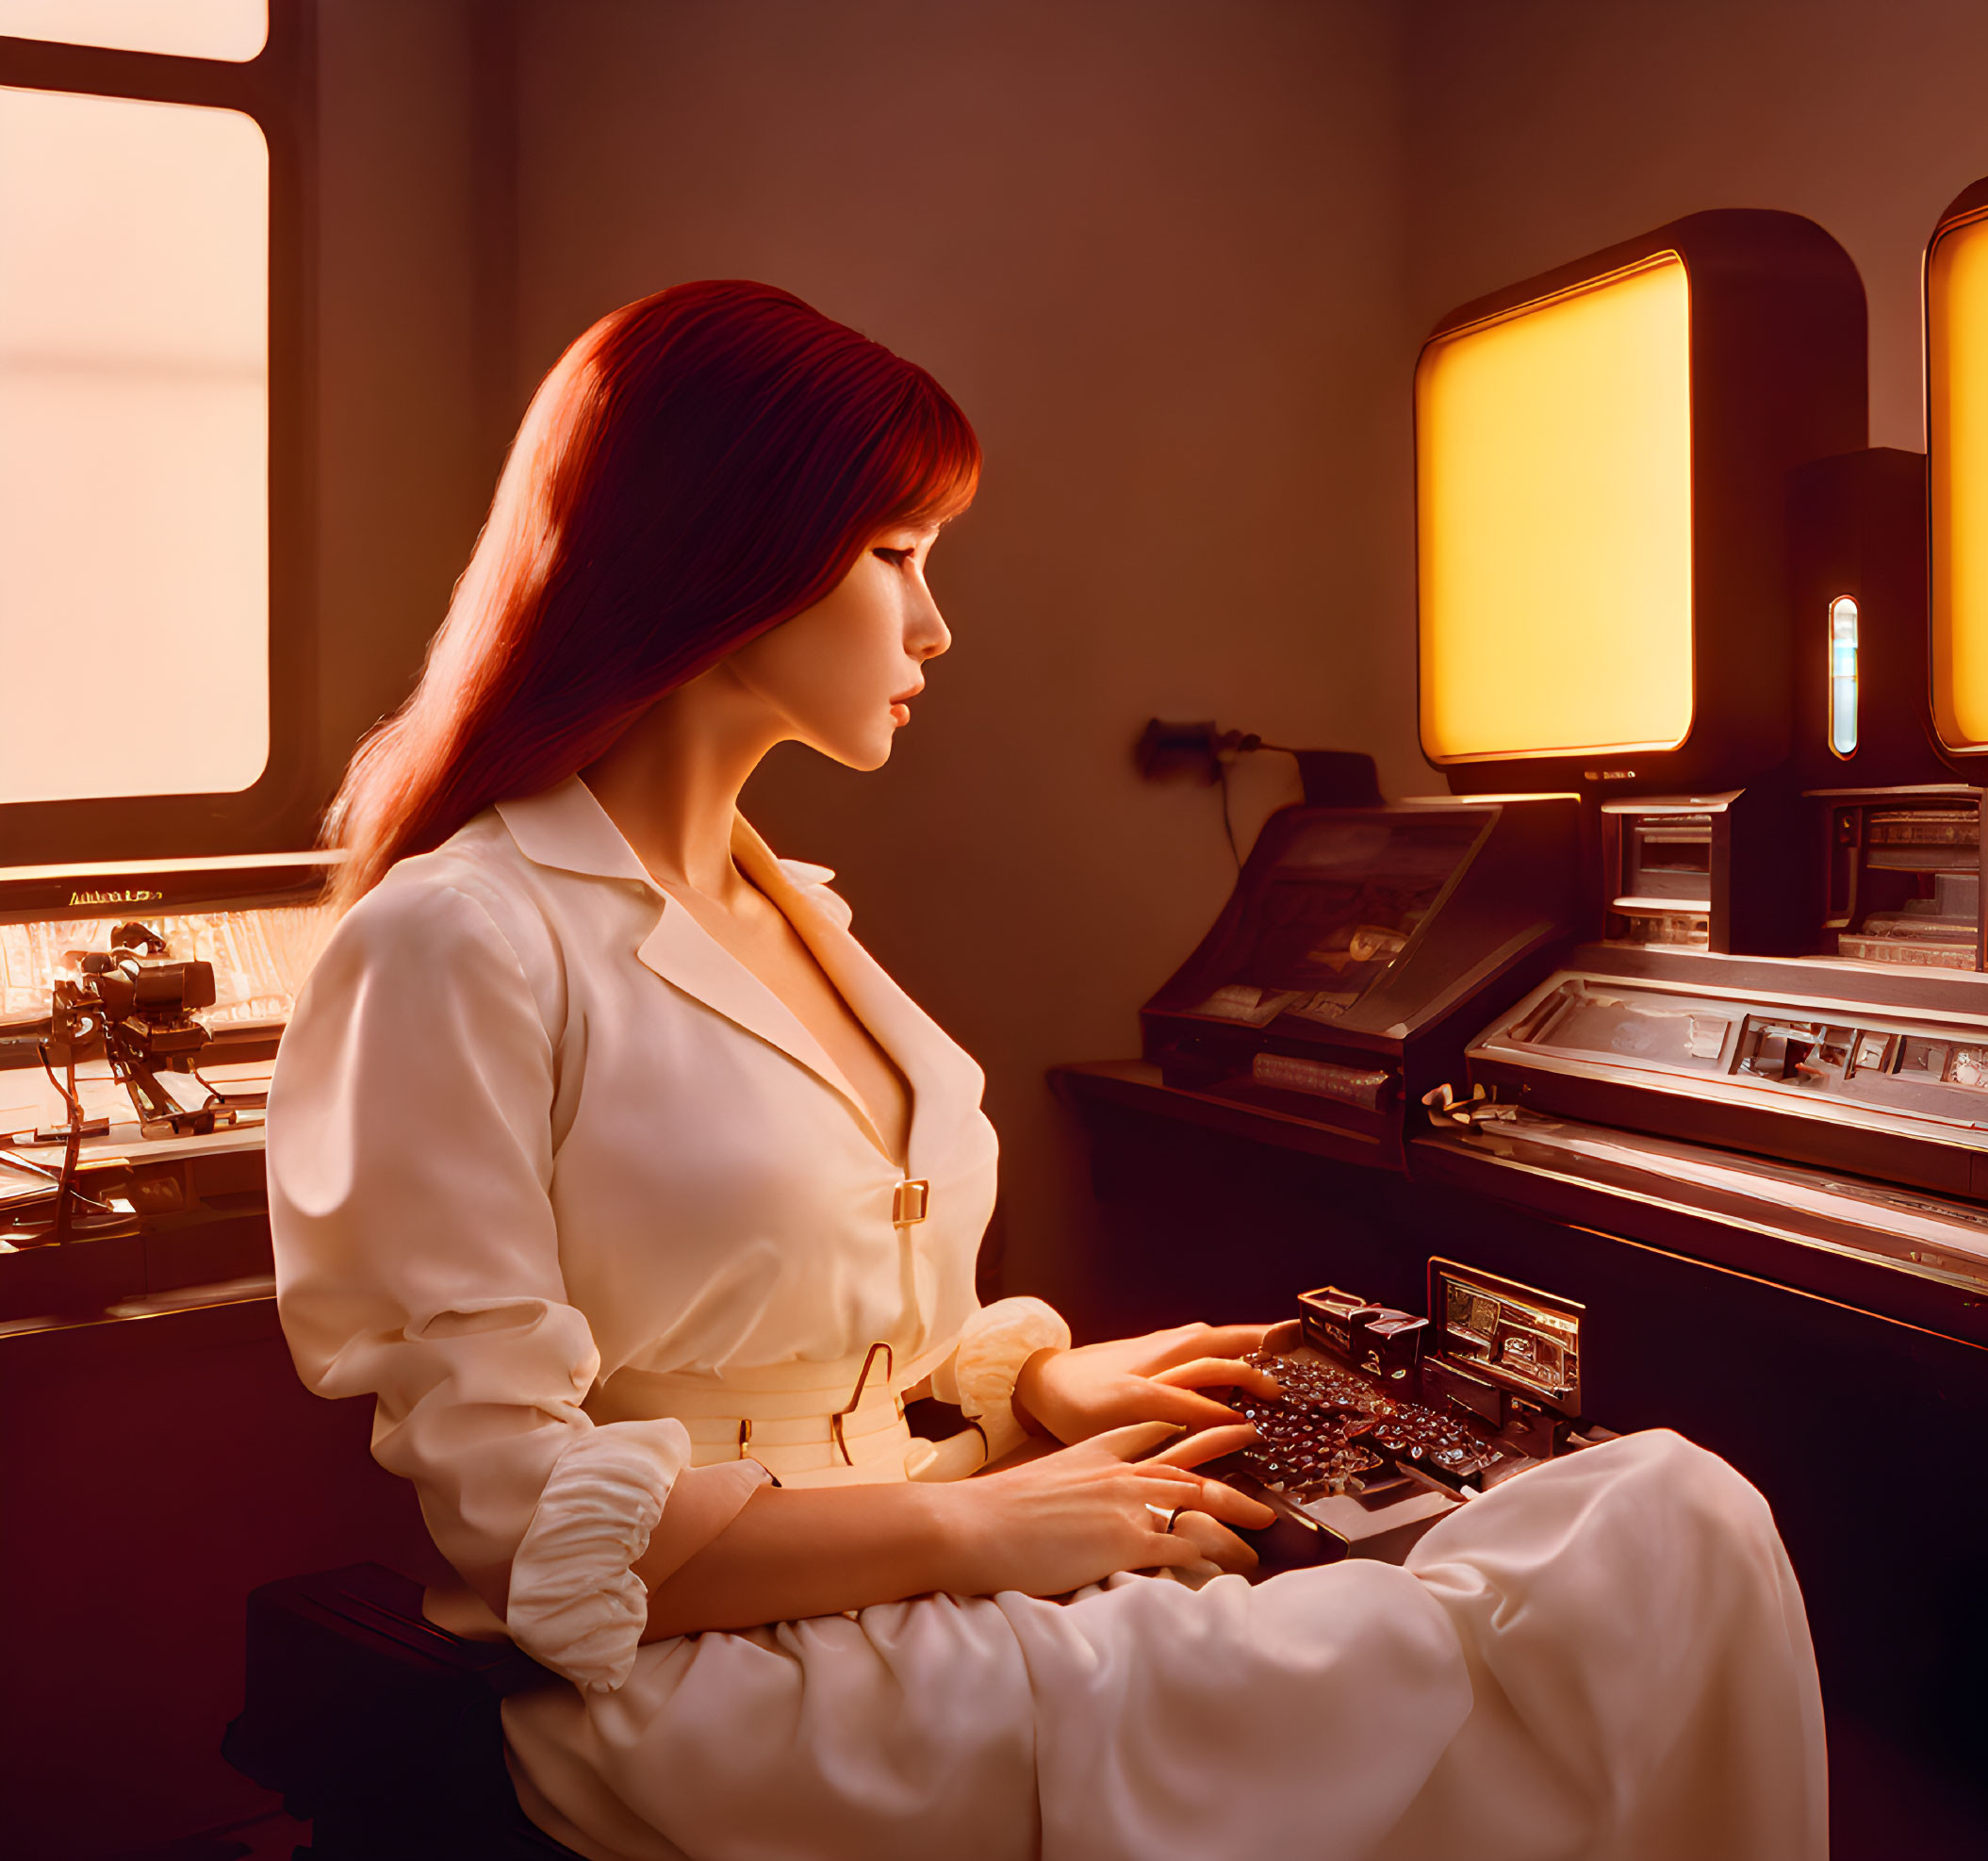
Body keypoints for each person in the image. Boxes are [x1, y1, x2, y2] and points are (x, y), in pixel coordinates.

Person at [267, 279, 1829, 1861]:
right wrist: (970, 1525)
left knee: (1656, 1516)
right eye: (896, 560)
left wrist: (1030, 1389)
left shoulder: (791, 906)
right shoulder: (456, 939)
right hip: (725, 1686)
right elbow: (529, 1523)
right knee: (1613, 1581)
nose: (934, 625)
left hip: (891, 1579)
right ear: (717, 558)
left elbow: (810, 1319)